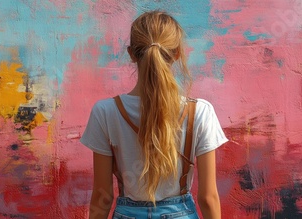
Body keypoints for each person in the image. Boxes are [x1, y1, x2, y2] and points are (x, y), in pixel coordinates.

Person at [80, 11, 228, 219]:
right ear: (177, 54)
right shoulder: (200, 112)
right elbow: (208, 197)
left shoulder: (105, 112)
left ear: (131, 54)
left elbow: (103, 197)